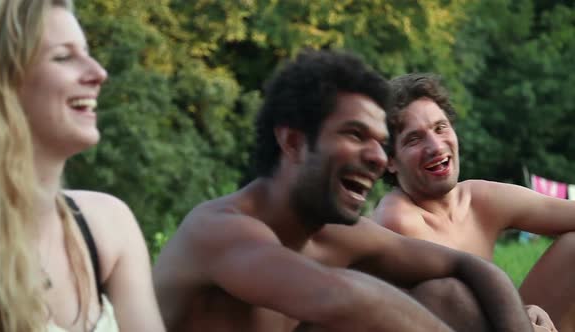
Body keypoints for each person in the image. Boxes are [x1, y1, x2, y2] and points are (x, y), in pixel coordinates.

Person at [153, 49, 533, 332]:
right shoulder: (219, 230)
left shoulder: (337, 234)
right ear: (294, 142)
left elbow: (469, 265)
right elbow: (340, 298)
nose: (377, 157)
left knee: (450, 296)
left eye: (382, 143)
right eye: (355, 134)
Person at [0, 1, 165, 331]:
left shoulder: (108, 227)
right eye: (64, 57)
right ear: (2, 85)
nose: (99, 73)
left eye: (87, 51)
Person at [372, 73, 575, 332]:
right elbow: (451, 305)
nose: (435, 146)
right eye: (414, 139)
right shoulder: (395, 220)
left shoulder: (478, 198)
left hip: (502, 321)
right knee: (446, 293)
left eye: (440, 127)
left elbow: (560, 211)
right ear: (390, 160)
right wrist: (522, 316)